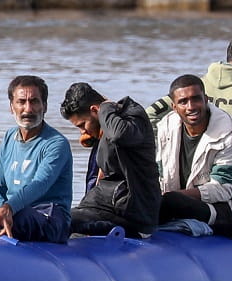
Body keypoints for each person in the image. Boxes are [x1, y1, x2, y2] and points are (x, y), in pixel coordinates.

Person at [61, 82, 161, 238]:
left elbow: (119, 135)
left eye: (82, 125)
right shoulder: (103, 129)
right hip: (105, 207)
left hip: (133, 216)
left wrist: (105, 107)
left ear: (95, 110)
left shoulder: (133, 116)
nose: (82, 132)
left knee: (62, 221)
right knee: (57, 218)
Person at [0, 75, 73, 242]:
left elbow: (40, 183)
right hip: (13, 212)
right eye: (21, 102)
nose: (28, 109)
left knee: (19, 218)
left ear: (44, 106)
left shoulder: (56, 144)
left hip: (49, 217)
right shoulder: (9, 137)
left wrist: (9, 208)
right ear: (11, 107)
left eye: (34, 101)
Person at [156, 74, 232, 236]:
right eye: (183, 102)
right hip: (177, 200)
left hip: (222, 209)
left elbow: (223, 189)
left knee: (169, 202)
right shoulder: (165, 126)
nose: (190, 106)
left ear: (206, 99)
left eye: (196, 99)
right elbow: (159, 173)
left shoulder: (230, 130)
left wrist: (173, 196)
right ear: (174, 106)